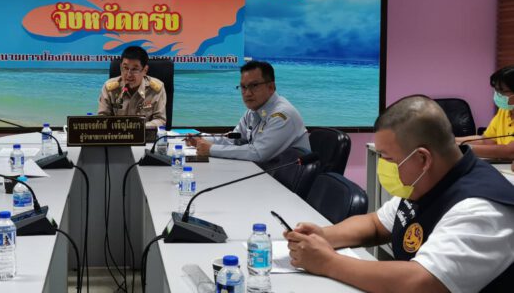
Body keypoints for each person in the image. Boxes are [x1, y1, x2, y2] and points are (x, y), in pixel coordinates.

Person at [285, 95, 514, 292]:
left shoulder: (481, 208)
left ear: (422, 158)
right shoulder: (430, 179)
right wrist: (323, 236)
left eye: (389, 158)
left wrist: (328, 262)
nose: (384, 166)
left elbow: (422, 283)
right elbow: (376, 224)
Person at [186, 61, 309, 162]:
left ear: (271, 87)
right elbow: (235, 139)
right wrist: (201, 139)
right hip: (267, 172)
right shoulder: (253, 112)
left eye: (254, 86)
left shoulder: (282, 115)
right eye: (243, 87)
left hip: (285, 180)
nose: (247, 93)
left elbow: (258, 153)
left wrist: (211, 149)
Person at [455, 65, 514, 165]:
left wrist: (459, 148)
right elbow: (487, 140)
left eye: (502, 91)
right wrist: (452, 140)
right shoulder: (504, 111)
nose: (498, 94)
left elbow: (510, 151)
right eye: (496, 90)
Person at [97, 46, 167, 127]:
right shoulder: (109, 88)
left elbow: (160, 120)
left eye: (134, 69)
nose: (129, 74)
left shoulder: (156, 89)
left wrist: (138, 128)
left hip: (144, 133)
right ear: (120, 67)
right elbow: (102, 118)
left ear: (145, 70)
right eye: (125, 68)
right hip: (117, 133)